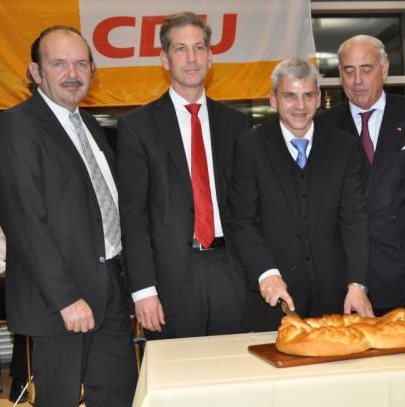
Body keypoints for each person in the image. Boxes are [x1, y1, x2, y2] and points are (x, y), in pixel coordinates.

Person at [0, 26, 136, 406]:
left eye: (81, 64)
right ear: (35, 72)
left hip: (111, 288)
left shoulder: (90, 126)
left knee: (120, 396)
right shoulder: (16, 126)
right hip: (60, 302)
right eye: (59, 64)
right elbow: (25, 222)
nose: (72, 73)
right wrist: (67, 298)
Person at [116, 11, 249, 339]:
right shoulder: (137, 127)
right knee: (177, 369)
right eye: (180, 49)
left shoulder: (237, 124)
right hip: (169, 282)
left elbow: (249, 208)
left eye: (199, 47)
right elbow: (133, 218)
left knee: (234, 367)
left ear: (211, 57)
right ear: (164, 59)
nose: (192, 58)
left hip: (232, 273)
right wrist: (143, 289)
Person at [317, 35, 405, 316]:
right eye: (349, 70)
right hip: (347, 280)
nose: (357, 80)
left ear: (384, 69)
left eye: (366, 69)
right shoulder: (324, 127)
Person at [227, 57, 373, 332]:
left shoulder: (344, 148)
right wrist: (266, 273)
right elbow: (241, 221)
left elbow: (354, 218)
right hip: (272, 298)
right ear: (273, 99)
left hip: (335, 300)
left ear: (318, 99)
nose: (300, 105)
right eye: (290, 96)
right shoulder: (250, 147)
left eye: (307, 95)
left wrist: (357, 284)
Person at [0, 224, 29, 403]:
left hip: (27, 298)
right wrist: (21, 272)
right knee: (25, 300)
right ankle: (20, 378)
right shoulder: (3, 227)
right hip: (0, 295)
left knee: (29, 306)